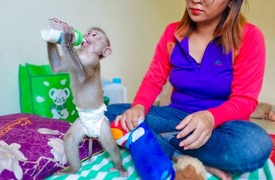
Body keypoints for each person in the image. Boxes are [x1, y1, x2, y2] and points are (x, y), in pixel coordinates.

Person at [105, 0, 273, 179]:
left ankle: (157, 140)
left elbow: (245, 99)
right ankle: (181, 154)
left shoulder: (249, 36)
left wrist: (211, 117)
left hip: (224, 125)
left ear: (232, 2)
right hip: (176, 118)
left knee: (256, 144)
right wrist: (139, 106)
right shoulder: (172, 33)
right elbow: (153, 80)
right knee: (108, 114)